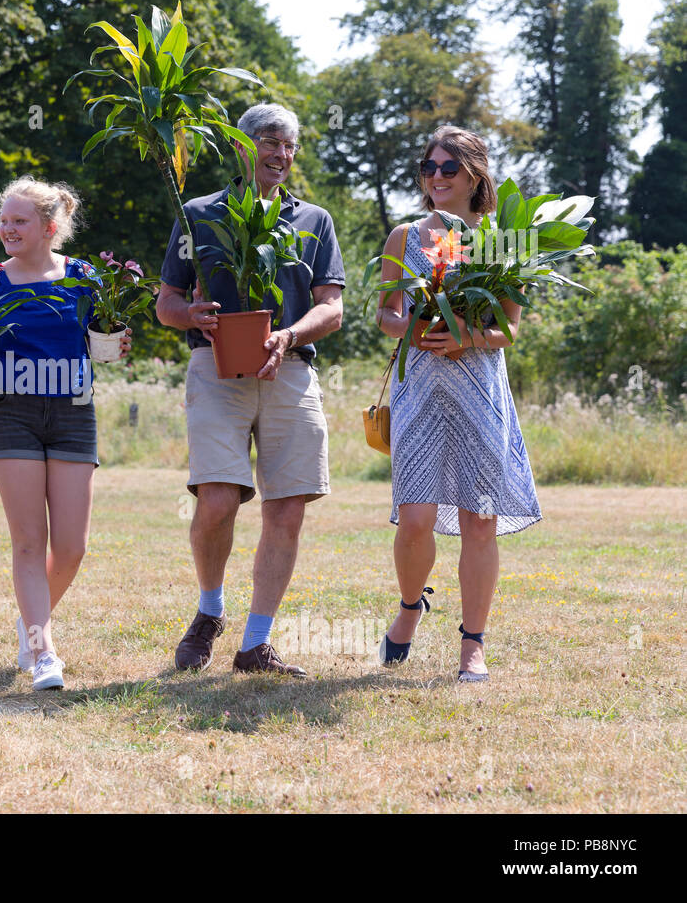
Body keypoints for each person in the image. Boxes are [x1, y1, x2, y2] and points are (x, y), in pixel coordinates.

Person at [157, 103, 345, 677]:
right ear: (241, 147)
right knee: (216, 502)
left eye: (290, 145)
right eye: (270, 142)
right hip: (216, 371)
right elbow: (166, 304)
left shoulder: (313, 220)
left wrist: (288, 336)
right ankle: (209, 612)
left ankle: (255, 643)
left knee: (286, 508)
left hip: (288, 371)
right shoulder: (198, 214)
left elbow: (332, 308)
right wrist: (194, 317)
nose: (281, 155)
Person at [374, 125, 540, 682]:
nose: (437, 177)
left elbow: (510, 329)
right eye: (428, 167)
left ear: (475, 175)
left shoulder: (501, 242)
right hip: (419, 387)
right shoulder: (404, 236)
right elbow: (387, 314)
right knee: (416, 517)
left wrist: (468, 335)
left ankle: (472, 644)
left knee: (480, 521)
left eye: (449, 168)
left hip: (479, 391)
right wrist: (414, 330)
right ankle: (408, 607)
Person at [0, 176, 131, 691]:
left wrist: (116, 341)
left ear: (49, 227)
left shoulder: (84, 277)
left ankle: (28, 622)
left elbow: (103, 334)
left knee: (71, 547)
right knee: (28, 543)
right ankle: (44, 652)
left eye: (19, 221)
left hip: (73, 412)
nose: (7, 229)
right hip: (11, 411)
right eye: (4, 220)